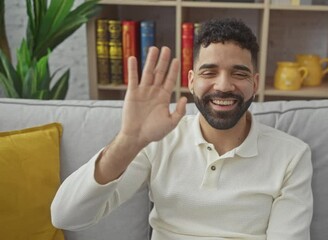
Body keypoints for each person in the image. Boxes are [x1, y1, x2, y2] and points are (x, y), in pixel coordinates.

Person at [51, 18, 313, 239]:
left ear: (255, 84)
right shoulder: (156, 140)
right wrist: (129, 140)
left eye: (239, 74)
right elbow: (65, 216)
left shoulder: (292, 155)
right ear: (191, 81)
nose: (223, 86)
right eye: (209, 72)